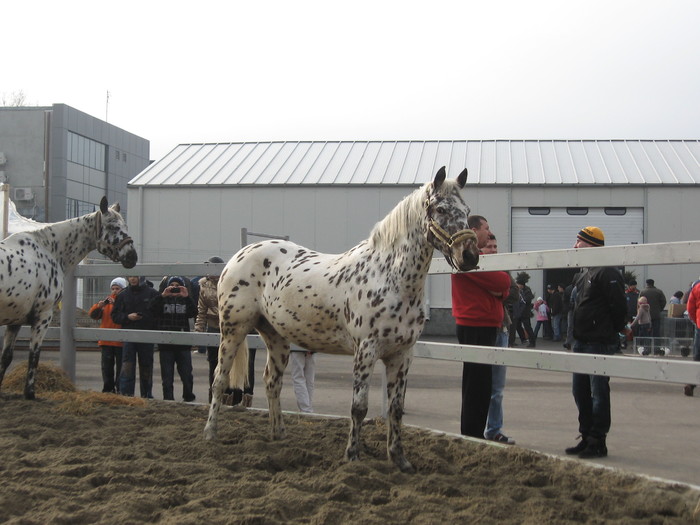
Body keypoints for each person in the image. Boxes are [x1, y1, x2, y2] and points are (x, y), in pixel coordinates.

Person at [565, 226, 626, 459]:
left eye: (578, 242)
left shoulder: (607, 272)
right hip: (581, 341)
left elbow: (619, 307)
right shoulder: (582, 273)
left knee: (598, 391)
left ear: (590, 244)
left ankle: (598, 440)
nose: (574, 246)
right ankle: (586, 434)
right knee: (579, 390)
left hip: (598, 342)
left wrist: (609, 331)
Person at [451, 215, 512, 438]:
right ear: (475, 230)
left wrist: (501, 290)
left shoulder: (475, 257)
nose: (489, 232)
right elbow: (503, 282)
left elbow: (505, 288)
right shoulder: (467, 255)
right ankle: (472, 434)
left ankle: (473, 433)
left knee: (480, 384)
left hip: (482, 325)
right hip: (476, 325)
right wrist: (500, 289)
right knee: (477, 385)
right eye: (486, 228)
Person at [481, 233, 516, 444]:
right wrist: (496, 290)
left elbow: (514, 295)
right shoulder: (474, 266)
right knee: (479, 385)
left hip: (501, 329)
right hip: (482, 328)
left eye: (495, 246)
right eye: (489, 247)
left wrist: (496, 292)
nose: (493, 250)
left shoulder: (503, 267)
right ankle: (479, 427)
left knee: (497, 388)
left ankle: (493, 429)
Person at [149, 276, 197, 402]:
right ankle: (168, 398)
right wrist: (162, 296)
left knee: (187, 374)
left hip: (183, 343)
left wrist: (187, 297)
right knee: (167, 375)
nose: (175, 288)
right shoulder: (162, 300)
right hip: (166, 345)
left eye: (178, 285)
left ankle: (188, 396)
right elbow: (151, 309)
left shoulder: (185, 300)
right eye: (172, 285)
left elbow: (193, 312)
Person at [111, 276, 159, 398]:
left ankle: (147, 395)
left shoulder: (152, 293)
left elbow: (159, 314)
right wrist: (127, 317)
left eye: (135, 277)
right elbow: (115, 316)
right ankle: (126, 395)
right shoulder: (123, 295)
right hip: (129, 336)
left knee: (146, 367)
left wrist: (147, 320)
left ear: (141, 277)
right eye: (130, 277)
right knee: (127, 366)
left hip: (146, 336)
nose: (132, 279)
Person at [89, 277, 127, 393]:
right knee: (107, 368)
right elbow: (93, 315)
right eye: (113, 288)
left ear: (123, 289)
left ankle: (120, 388)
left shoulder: (125, 302)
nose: (115, 291)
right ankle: (108, 388)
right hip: (106, 341)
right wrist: (98, 306)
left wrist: (116, 304)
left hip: (120, 341)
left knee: (121, 368)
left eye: (118, 288)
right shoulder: (105, 304)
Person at [683, 278, 700, 397]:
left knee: (698, 356)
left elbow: (690, 308)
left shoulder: (697, 286)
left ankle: (691, 383)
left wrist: (696, 321)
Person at [513, 274, 536, 348]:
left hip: (525, 312)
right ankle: (523, 339)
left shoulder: (527, 291)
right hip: (519, 312)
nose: (517, 285)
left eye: (518, 284)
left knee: (527, 327)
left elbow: (527, 300)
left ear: (521, 285)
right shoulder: (518, 290)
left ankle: (532, 342)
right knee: (517, 326)